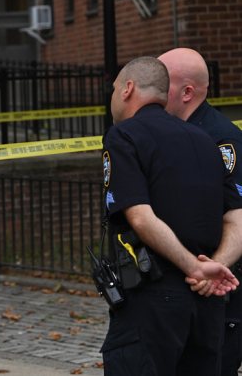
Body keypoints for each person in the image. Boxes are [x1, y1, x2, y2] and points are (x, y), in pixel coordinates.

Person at [100, 56, 242, 375]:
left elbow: (139, 216)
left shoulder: (124, 136)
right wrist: (211, 267)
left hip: (152, 299)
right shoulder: (207, 140)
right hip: (206, 304)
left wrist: (193, 267)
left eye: (113, 90)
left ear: (128, 89)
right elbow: (238, 217)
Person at [159, 47, 242, 376]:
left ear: (187, 92)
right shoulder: (170, 134)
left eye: (161, 83)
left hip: (223, 286)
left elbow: (236, 212)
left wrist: (213, 269)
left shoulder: (220, 139)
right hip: (190, 281)